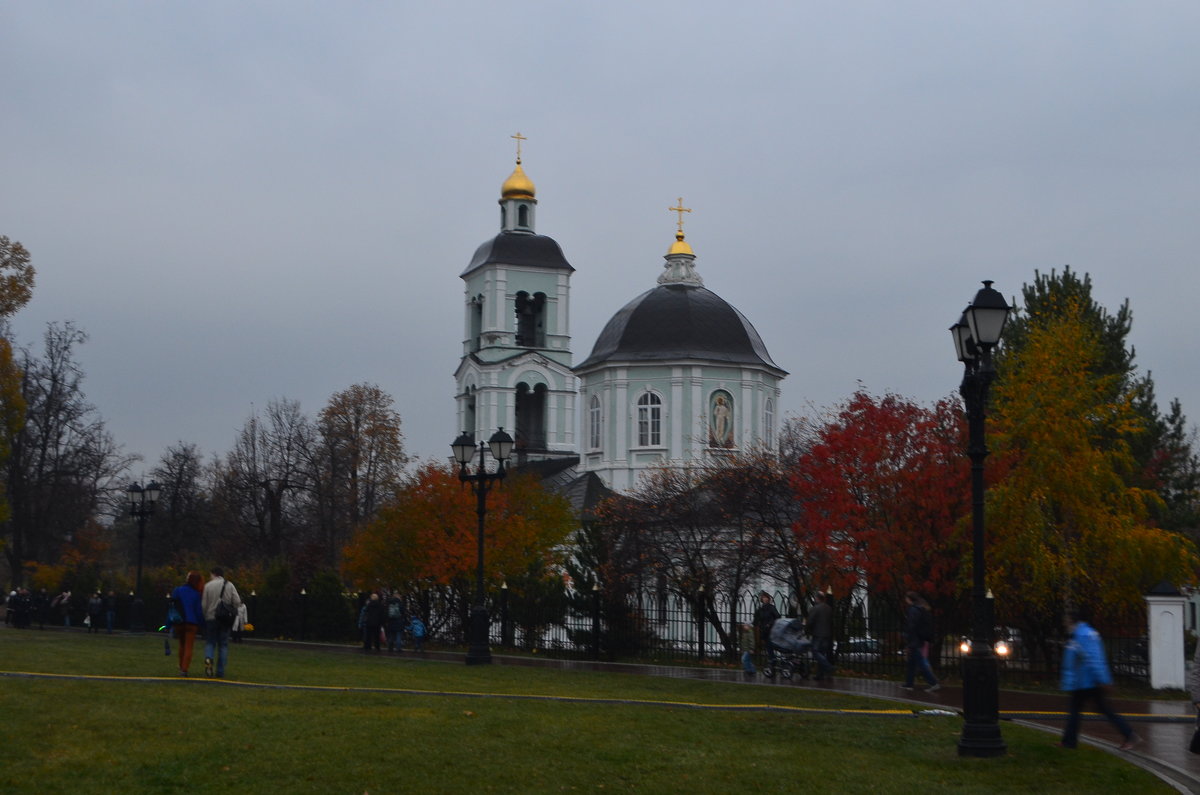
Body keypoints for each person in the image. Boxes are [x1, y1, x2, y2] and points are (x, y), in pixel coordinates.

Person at [1060, 609, 1138, 750]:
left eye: (1066, 619)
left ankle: (1069, 742)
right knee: (1091, 710)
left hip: (1087, 682)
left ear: (1072, 620)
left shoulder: (1082, 635)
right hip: (1085, 681)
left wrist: (1103, 680)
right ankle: (1068, 742)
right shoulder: (1081, 634)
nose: (1064, 623)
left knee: (1080, 711)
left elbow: (1093, 659)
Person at [201, 567, 242, 678]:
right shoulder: (229, 585)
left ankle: (209, 659)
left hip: (211, 618)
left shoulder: (208, 586)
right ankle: (220, 671)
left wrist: (205, 616)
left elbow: (204, 605)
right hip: (224, 619)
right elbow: (237, 601)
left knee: (210, 643)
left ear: (213, 574)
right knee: (223, 645)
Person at [901, 591, 940, 692]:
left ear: (909, 599)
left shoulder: (913, 610)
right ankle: (909, 683)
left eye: (906, 598)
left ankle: (933, 682)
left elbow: (911, 626)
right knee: (912, 663)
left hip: (914, 640)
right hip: (918, 639)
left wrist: (907, 637)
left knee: (920, 662)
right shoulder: (920, 608)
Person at [171, 572, 205, 676]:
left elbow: (173, 604)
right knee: (189, 646)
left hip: (179, 621)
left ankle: (180, 665)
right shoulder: (196, 594)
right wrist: (202, 623)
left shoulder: (178, 590)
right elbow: (198, 611)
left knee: (181, 644)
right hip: (191, 622)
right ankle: (184, 669)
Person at [806, 591, 835, 681]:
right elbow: (831, 622)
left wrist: (807, 630)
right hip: (827, 634)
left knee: (815, 652)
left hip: (818, 634)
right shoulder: (829, 608)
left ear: (817, 598)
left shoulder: (816, 608)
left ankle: (828, 666)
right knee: (822, 653)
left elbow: (810, 621)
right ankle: (820, 674)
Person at [753, 591, 780, 665]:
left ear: (768, 599)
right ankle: (772, 659)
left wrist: (770, 624)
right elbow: (756, 620)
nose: (764, 599)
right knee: (768, 646)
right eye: (763, 598)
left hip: (771, 630)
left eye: (766, 597)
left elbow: (777, 617)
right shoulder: (760, 609)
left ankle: (773, 659)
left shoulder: (771, 608)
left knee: (771, 645)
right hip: (764, 631)